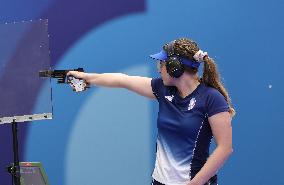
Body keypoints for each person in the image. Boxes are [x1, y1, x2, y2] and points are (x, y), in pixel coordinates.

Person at [67, 38, 235, 185]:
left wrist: (195, 183)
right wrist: (87, 77)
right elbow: (123, 80)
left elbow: (225, 148)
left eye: (161, 64)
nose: (158, 69)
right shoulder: (163, 89)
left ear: (174, 67)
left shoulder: (212, 98)